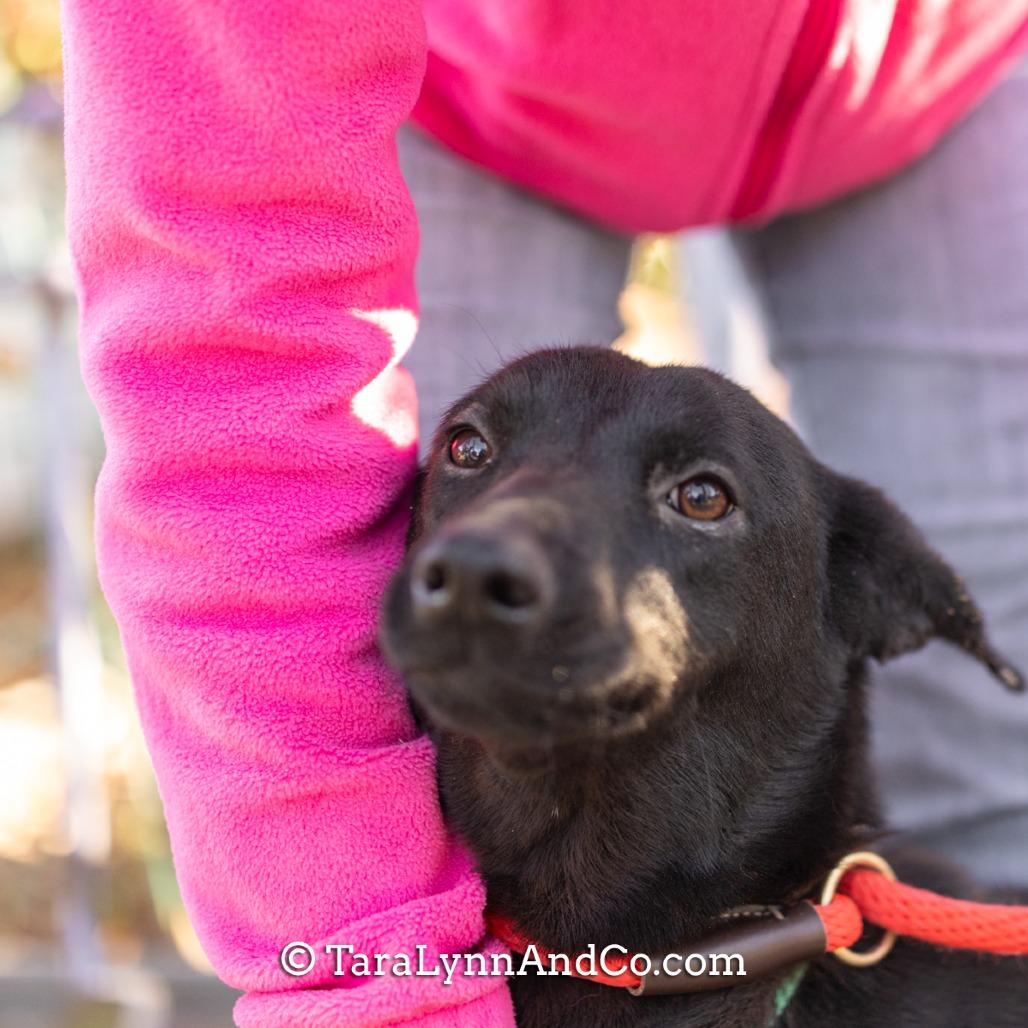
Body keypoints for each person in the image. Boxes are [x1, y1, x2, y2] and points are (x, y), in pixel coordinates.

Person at [62, 2, 1028, 1024]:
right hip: (476, 88)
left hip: (934, 73)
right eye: (473, 452)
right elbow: (235, 411)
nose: (495, 548)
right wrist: (380, 989)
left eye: (698, 495)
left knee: (986, 772)